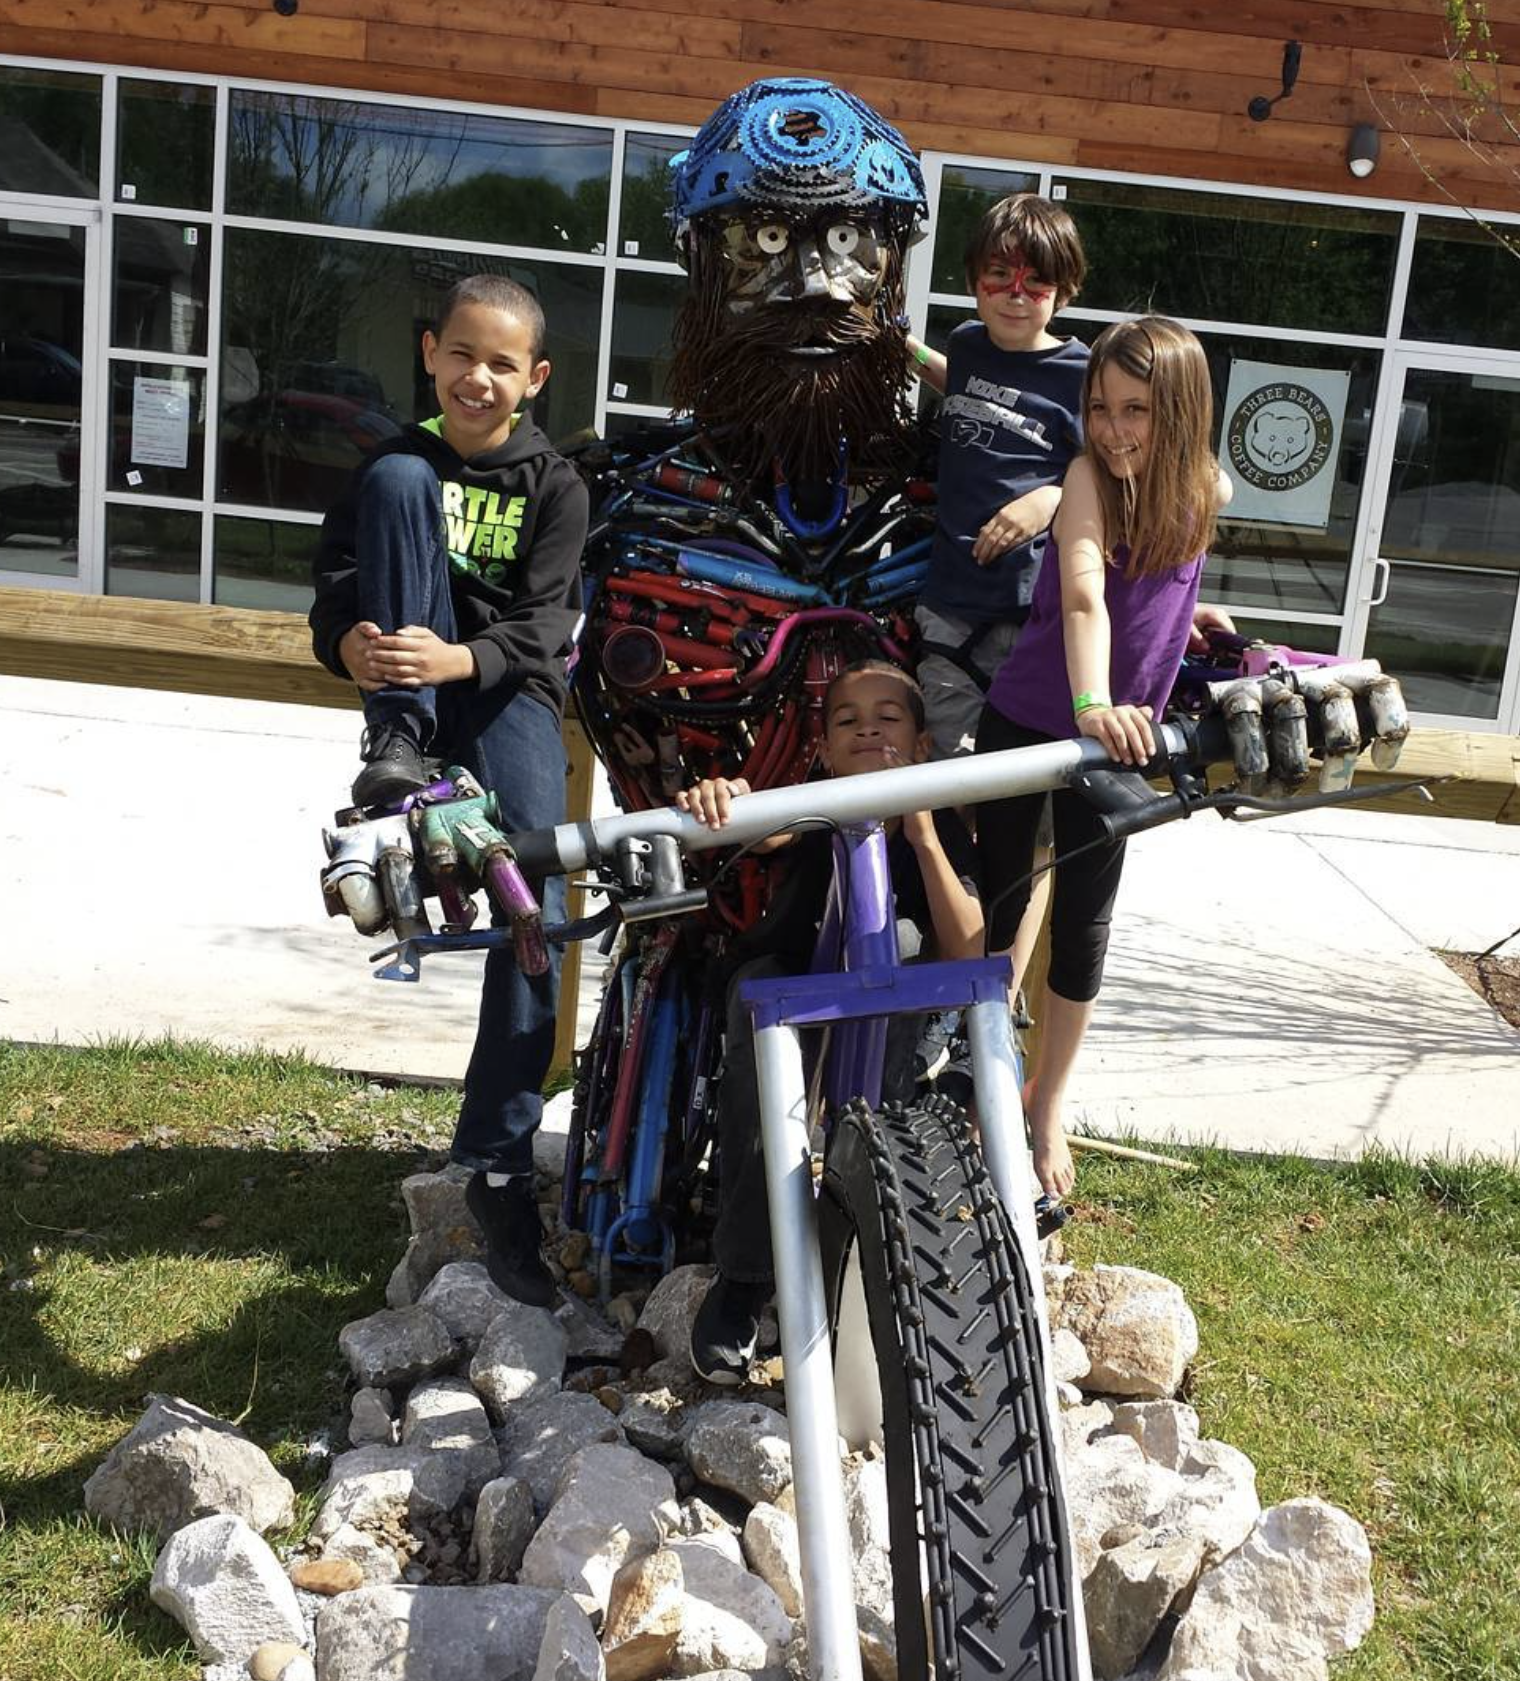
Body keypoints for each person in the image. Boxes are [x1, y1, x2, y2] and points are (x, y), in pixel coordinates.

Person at [309, 273, 589, 1306]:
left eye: (502, 363)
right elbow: (334, 591)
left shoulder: (555, 483)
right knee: (393, 488)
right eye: (462, 354)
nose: (479, 377)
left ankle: (498, 1166)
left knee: (539, 903)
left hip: (500, 692)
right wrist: (352, 641)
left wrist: (453, 661)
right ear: (430, 352)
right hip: (409, 700)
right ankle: (396, 754)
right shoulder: (391, 463)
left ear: (535, 377)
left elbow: (543, 626)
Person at [974, 316, 1234, 1200]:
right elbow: (1085, 596)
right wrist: (1093, 705)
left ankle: (1047, 1099)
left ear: (1184, 413)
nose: (1114, 428)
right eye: (1100, 407)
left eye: (1138, 410)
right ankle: (984, 1080)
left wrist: (1194, 613)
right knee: (1002, 907)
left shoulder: (1206, 489)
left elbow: (1154, 585)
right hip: (1034, 717)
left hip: (1120, 742)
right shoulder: (1087, 476)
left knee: (1085, 920)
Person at [676, 662, 983, 1384]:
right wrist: (726, 798)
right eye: (847, 721)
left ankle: (869, 1244)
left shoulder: (939, 821)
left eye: (888, 717)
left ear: (923, 745)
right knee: (757, 1017)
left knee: (910, 950)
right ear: (822, 749)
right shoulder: (814, 808)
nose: (868, 727)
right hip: (794, 976)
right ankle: (747, 1270)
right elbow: (760, 823)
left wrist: (926, 837)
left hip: (894, 1006)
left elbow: (969, 944)